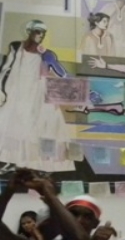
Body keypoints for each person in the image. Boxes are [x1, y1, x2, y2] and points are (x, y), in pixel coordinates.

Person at [0, 20, 75, 172]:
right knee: (10, 126)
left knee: (35, 129)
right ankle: (9, 160)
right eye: (38, 32)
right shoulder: (16, 47)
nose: (41, 36)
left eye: (43, 33)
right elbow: (5, 69)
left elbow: (61, 72)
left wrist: (78, 87)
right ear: (30, 32)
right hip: (16, 93)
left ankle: (30, 164)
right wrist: (1, 90)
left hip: (35, 95)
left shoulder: (46, 53)